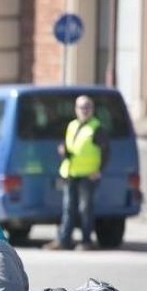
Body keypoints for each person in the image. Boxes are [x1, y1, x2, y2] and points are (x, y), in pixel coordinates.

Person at [45, 95, 109, 251]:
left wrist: (99, 170)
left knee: (85, 208)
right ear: (76, 110)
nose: (84, 110)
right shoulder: (72, 125)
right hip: (71, 173)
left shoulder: (96, 127)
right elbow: (71, 147)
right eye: (81, 107)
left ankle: (86, 241)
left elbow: (106, 151)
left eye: (87, 107)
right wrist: (64, 151)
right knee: (68, 207)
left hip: (88, 174)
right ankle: (64, 240)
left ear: (92, 110)